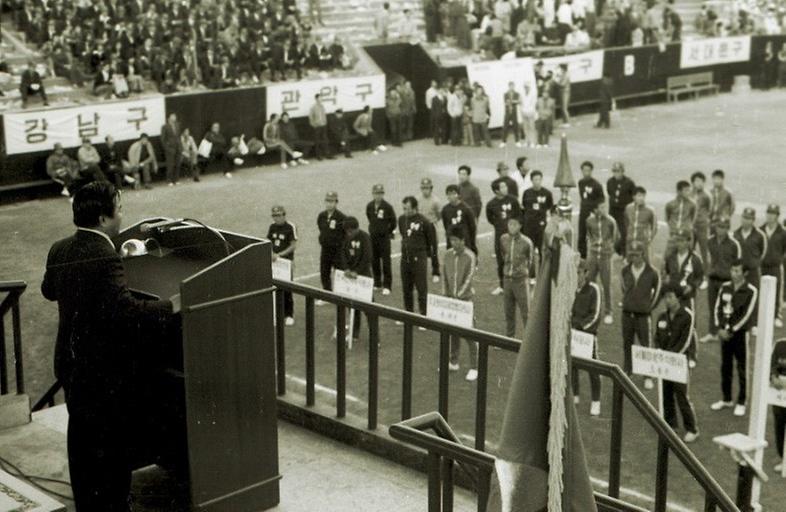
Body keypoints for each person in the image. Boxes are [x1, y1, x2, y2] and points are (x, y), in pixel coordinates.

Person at [41, 181, 176, 511]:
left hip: (72, 365)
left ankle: (89, 502)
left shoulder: (60, 248)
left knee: (83, 441)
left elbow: (49, 290)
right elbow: (127, 314)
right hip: (104, 373)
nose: (122, 211)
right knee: (111, 447)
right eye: (119, 206)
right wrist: (172, 304)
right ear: (104, 218)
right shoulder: (105, 257)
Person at [711, 259, 757, 417]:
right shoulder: (725, 287)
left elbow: (747, 315)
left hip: (740, 335)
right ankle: (726, 398)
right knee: (726, 366)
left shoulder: (751, 290)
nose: (734, 274)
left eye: (737, 271)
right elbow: (717, 308)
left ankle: (742, 401)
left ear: (745, 273)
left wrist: (731, 329)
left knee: (742, 368)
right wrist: (720, 328)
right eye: (732, 270)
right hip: (725, 334)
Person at [656, 283, 699, 443]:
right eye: (665, 297)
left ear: (678, 298)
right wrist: (659, 352)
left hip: (680, 362)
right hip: (665, 363)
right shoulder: (661, 317)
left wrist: (671, 356)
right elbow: (657, 337)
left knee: (681, 395)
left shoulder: (687, 315)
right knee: (666, 393)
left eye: (670, 297)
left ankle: (692, 428)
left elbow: (686, 341)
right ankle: (670, 424)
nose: (667, 300)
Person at [621, 241, 661, 387]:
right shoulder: (625, 270)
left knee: (645, 345)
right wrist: (629, 302)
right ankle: (627, 371)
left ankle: (647, 376)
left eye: (637, 255)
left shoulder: (652, 272)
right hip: (627, 314)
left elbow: (657, 292)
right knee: (627, 343)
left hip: (643, 316)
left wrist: (648, 307)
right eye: (632, 255)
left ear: (643, 255)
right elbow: (624, 288)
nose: (634, 258)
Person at [443, 224, 478, 382]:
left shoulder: (470, 256)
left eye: (456, 240)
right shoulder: (447, 255)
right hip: (451, 300)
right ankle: (453, 361)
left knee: (470, 334)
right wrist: (445, 294)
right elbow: (444, 276)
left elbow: (469, 278)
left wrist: (459, 295)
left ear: (463, 241)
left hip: (464, 301)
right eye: (451, 240)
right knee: (453, 331)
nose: (453, 243)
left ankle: (475, 367)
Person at [399, 196, 440, 320]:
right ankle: (409, 314)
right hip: (405, 258)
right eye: (404, 208)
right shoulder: (401, 219)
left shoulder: (424, 222)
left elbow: (432, 243)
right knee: (406, 288)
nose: (405, 211)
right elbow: (403, 235)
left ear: (415, 208)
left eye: (407, 209)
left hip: (419, 258)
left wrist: (434, 266)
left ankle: (424, 316)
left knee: (421, 288)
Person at [572, 259, 602, 416]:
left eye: (578, 272)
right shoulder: (570, 288)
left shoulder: (594, 290)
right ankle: (575, 395)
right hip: (573, 335)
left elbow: (595, 314)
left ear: (586, 273)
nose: (576, 276)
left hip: (588, 336)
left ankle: (596, 401)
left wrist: (580, 327)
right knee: (572, 365)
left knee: (593, 368)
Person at [341, 216, 373, 345]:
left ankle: (375, 336)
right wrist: (347, 269)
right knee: (352, 306)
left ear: (356, 229)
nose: (349, 234)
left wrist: (357, 271)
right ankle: (354, 333)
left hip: (363, 276)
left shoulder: (365, 237)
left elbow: (367, 257)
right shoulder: (346, 237)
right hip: (350, 276)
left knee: (369, 308)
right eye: (347, 232)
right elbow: (343, 253)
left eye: (350, 231)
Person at [487, 179, 522, 295]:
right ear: (496, 191)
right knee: (501, 261)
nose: (505, 189)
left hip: (514, 235)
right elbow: (490, 219)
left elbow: (519, 215)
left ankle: (517, 285)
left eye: (505, 187)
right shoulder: (491, 204)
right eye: (502, 187)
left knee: (516, 260)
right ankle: (502, 286)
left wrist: (514, 228)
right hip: (500, 236)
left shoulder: (513, 200)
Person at [500, 216, 533, 338]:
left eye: (514, 224)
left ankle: (529, 340)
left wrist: (521, 272)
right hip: (507, 280)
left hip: (520, 281)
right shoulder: (503, 239)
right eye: (510, 224)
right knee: (508, 311)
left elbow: (530, 261)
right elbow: (503, 255)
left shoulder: (527, 242)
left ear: (520, 226)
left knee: (526, 312)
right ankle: (509, 337)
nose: (511, 227)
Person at [587, 201, 618, 325]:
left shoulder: (611, 221)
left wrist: (608, 250)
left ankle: (608, 311)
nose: (604, 209)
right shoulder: (589, 221)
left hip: (605, 256)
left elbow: (615, 238)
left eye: (605, 206)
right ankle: (591, 308)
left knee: (606, 284)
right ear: (595, 209)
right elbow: (589, 235)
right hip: (593, 255)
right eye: (601, 207)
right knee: (589, 282)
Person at [267, 205, 298, 326]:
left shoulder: (290, 227)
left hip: (285, 263)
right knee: (274, 287)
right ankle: (276, 313)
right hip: (274, 262)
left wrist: (279, 255)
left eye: (279, 215)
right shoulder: (272, 227)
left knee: (287, 289)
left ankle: (289, 314)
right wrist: (271, 253)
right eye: (274, 215)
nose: (277, 218)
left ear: (284, 215)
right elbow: (268, 241)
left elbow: (293, 245)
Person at [662, 229, 704, 312]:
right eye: (677, 240)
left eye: (682, 241)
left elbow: (700, 278)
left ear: (688, 242)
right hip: (672, 297)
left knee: (688, 320)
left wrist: (692, 286)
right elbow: (667, 272)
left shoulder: (695, 259)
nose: (679, 243)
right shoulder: (670, 257)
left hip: (687, 297)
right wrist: (666, 278)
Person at [366, 184, 396, 295]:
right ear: (373, 194)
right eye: (376, 193)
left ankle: (387, 285)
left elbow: (393, 222)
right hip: (373, 237)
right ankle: (377, 282)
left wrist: (386, 231)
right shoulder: (369, 206)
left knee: (386, 261)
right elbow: (369, 217)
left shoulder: (387, 207)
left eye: (380, 193)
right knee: (374, 260)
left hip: (384, 239)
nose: (378, 196)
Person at [317, 191, 346, 299]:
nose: (329, 204)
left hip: (337, 250)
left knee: (339, 272)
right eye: (328, 201)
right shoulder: (322, 216)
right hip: (325, 249)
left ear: (336, 202)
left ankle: (341, 295)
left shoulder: (341, 217)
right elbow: (321, 229)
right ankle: (327, 295)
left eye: (332, 201)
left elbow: (345, 234)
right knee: (324, 272)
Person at [761, 204, 786, 327]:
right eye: (768, 213)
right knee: (761, 289)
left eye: (773, 214)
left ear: (777, 216)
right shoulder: (760, 230)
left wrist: (779, 258)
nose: (770, 216)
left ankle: (777, 315)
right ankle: (760, 314)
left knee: (777, 290)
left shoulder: (782, 232)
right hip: (762, 266)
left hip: (776, 266)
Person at [520, 170, 553, 260]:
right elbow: (524, 206)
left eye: (539, 179)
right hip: (529, 225)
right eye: (535, 179)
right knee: (529, 249)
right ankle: (530, 271)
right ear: (531, 180)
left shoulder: (547, 193)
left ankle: (543, 270)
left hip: (541, 225)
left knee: (542, 249)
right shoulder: (527, 193)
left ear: (541, 180)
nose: (537, 181)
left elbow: (550, 207)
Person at [734, 207, 767, 292]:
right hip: (739, 272)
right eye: (744, 217)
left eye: (749, 218)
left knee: (754, 294)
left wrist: (754, 262)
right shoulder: (735, 234)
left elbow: (763, 252)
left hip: (753, 272)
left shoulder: (760, 235)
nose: (746, 221)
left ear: (753, 220)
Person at [577, 161, 605, 259]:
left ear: (591, 171)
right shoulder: (580, 183)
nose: (586, 172)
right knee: (582, 235)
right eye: (584, 170)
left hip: (593, 213)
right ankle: (582, 257)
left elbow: (602, 199)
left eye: (588, 170)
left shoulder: (596, 185)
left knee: (595, 235)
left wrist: (596, 211)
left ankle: (597, 255)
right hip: (583, 212)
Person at [607, 162, 635, 256]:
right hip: (613, 210)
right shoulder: (610, 182)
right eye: (614, 171)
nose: (616, 174)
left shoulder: (629, 183)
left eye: (618, 171)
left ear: (622, 171)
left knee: (624, 232)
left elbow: (633, 195)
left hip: (624, 211)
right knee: (610, 231)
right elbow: (610, 193)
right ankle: (612, 250)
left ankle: (623, 252)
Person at [442, 184, 478, 254]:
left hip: (464, 241)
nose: (451, 196)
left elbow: (472, 227)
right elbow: (446, 225)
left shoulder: (466, 209)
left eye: (453, 194)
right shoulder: (445, 209)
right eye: (449, 194)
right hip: (451, 241)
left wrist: (472, 244)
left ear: (458, 195)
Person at [664, 180, 697, 256]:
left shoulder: (692, 204)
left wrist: (687, 227)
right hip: (674, 235)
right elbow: (667, 218)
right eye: (686, 190)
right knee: (668, 257)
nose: (688, 192)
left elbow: (693, 218)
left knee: (687, 257)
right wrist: (673, 228)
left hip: (686, 235)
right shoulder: (670, 204)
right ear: (679, 191)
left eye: (689, 190)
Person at [624, 186, 657, 260]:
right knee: (629, 263)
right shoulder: (628, 208)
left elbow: (654, 227)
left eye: (643, 196)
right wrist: (629, 234)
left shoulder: (650, 210)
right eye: (639, 195)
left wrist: (649, 239)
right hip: (630, 240)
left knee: (645, 263)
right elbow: (626, 222)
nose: (641, 198)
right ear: (634, 197)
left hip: (643, 241)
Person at [690, 171, 712, 273]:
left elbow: (710, 209)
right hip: (691, 226)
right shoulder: (689, 193)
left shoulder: (707, 195)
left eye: (701, 181)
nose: (698, 183)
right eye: (696, 181)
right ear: (693, 182)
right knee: (690, 249)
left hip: (702, 226)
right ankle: (690, 271)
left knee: (704, 251)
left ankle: (706, 275)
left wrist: (704, 219)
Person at [771, 338, 786, 471]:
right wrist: (774, 377)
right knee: (779, 424)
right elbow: (772, 365)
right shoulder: (780, 345)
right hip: (779, 395)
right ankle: (783, 458)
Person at [161, 113, 182, 186]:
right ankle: (169, 180)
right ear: (168, 118)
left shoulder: (178, 125)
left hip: (178, 147)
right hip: (170, 149)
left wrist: (180, 146)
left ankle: (176, 179)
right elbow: (163, 139)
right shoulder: (165, 127)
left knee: (177, 164)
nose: (174, 118)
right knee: (170, 165)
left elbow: (179, 136)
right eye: (172, 116)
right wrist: (167, 148)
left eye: (175, 116)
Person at [500, 82, 521, 148]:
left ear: (514, 86)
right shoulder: (505, 94)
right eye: (510, 86)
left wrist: (511, 101)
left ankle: (517, 141)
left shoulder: (517, 94)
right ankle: (503, 142)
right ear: (508, 86)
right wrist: (513, 101)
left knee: (516, 127)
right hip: (507, 113)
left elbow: (518, 101)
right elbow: (506, 102)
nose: (511, 87)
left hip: (514, 113)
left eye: (512, 86)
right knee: (505, 127)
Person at [309, 93, 330, 160]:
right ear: (316, 99)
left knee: (325, 140)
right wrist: (314, 125)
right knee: (317, 141)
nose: (321, 99)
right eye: (319, 98)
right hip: (317, 126)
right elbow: (310, 117)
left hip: (323, 125)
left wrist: (325, 122)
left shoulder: (322, 106)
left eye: (321, 98)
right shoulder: (313, 107)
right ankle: (319, 156)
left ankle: (327, 154)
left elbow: (324, 115)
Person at [519, 82, 537, 148]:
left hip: (530, 113)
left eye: (527, 87)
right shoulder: (522, 94)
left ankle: (532, 142)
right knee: (525, 128)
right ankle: (527, 142)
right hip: (524, 113)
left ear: (529, 88)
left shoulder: (533, 94)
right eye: (525, 87)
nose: (526, 88)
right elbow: (520, 103)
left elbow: (533, 104)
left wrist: (531, 112)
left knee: (532, 128)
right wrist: (522, 111)